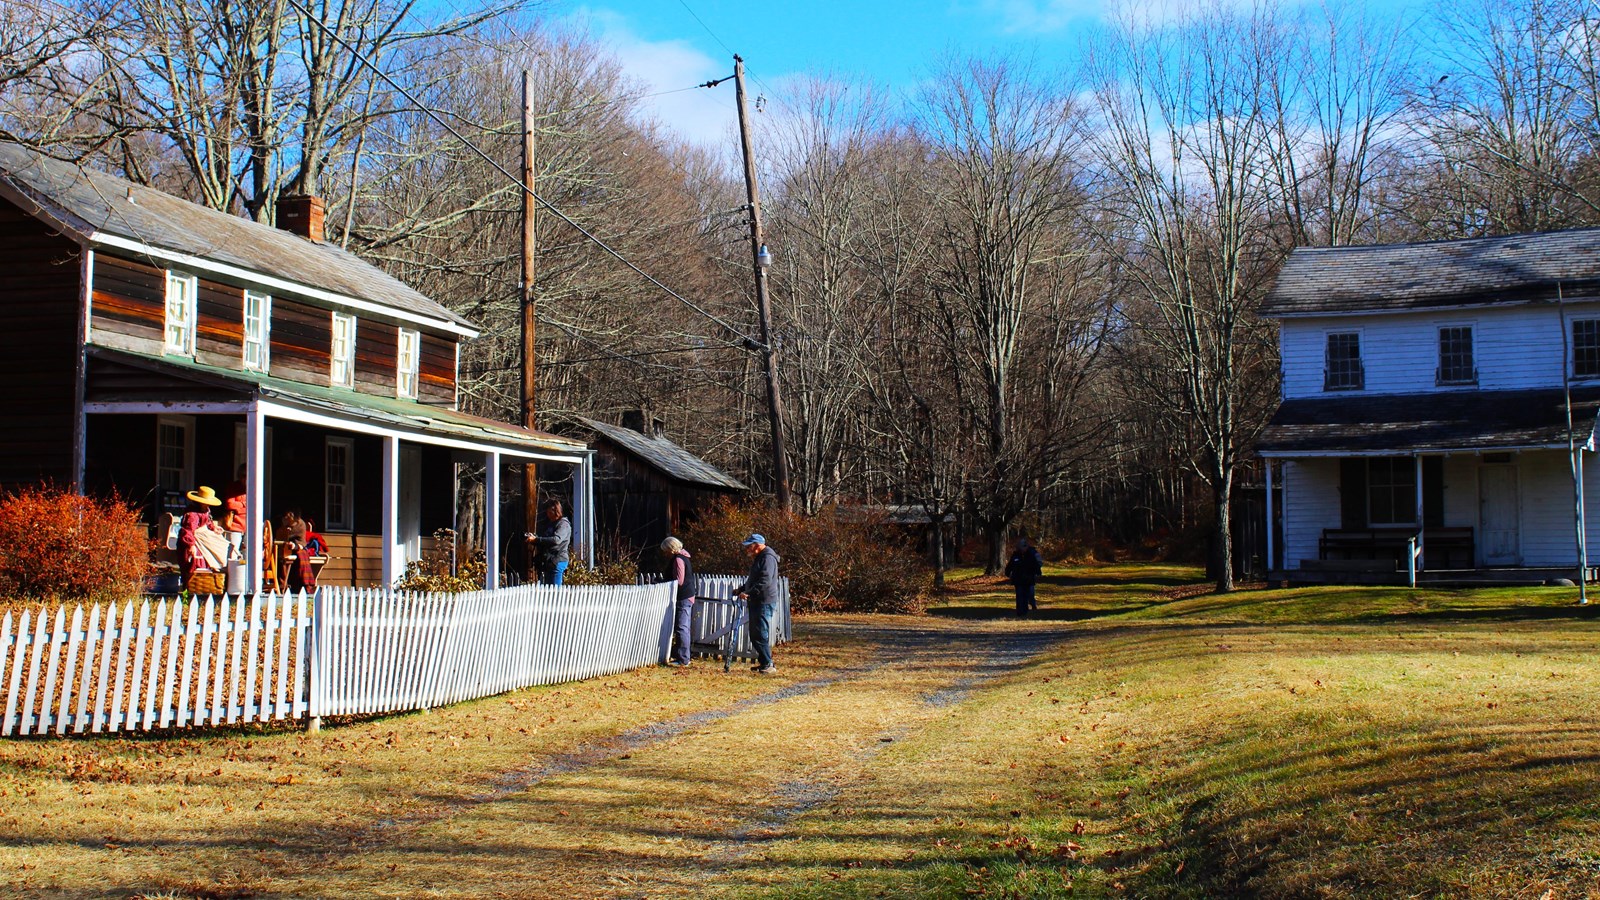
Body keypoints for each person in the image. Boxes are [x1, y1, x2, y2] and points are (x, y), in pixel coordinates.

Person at [733, 533, 781, 674]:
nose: (747, 549)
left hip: (763, 600)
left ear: (758, 545)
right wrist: (742, 589)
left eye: (749, 546)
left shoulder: (767, 558)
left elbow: (764, 581)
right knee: (755, 634)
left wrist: (749, 593)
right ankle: (764, 662)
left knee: (760, 633)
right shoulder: (761, 557)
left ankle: (768, 664)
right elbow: (754, 579)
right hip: (758, 600)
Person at [178, 486, 229, 596]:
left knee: (205, 564)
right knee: (190, 570)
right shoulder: (192, 514)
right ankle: (187, 596)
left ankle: (202, 593)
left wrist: (214, 528)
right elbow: (187, 531)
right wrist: (191, 545)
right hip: (193, 543)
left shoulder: (205, 511)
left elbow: (207, 522)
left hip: (202, 542)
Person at [661, 536, 695, 667]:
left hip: (683, 596)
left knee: (682, 627)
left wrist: (664, 582)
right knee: (683, 627)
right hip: (687, 595)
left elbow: (679, 581)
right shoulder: (684, 557)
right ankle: (682, 656)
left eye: (666, 550)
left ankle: (683, 659)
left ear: (671, 549)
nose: (665, 553)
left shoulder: (679, 559)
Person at [526, 500, 572, 585]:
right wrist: (534, 539)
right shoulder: (551, 524)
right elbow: (546, 540)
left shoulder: (563, 524)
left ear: (556, 511)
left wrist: (537, 539)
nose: (548, 514)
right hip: (548, 561)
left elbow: (556, 540)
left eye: (550, 512)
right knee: (547, 591)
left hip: (558, 560)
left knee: (554, 591)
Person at [1004, 537, 1044, 618]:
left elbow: (1035, 565)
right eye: (1021, 547)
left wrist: (1038, 573)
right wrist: (1008, 573)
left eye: (1024, 547)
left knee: (1027, 595)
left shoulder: (1031, 555)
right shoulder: (1015, 556)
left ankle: (1025, 610)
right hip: (1018, 579)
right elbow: (1010, 565)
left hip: (1028, 579)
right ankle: (1019, 611)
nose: (1023, 549)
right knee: (1019, 595)